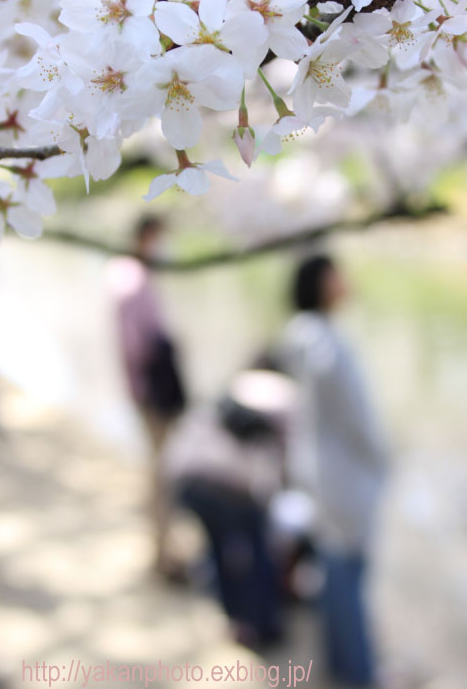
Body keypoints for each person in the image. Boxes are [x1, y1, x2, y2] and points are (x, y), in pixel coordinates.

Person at [282, 254, 389, 687]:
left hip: (317, 472)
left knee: (332, 570)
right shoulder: (329, 346)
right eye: (336, 274)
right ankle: (359, 672)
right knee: (349, 578)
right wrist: (383, 462)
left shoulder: (299, 336)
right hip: (344, 478)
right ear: (322, 284)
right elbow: (359, 421)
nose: (345, 280)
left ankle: (336, 663)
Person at [162, 369, 296, 647]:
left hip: (186, 479)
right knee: (258, 553)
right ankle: (265, 625)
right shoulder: (286, 399)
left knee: (218, 548)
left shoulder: (237, 384)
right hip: (226, 485)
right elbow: (278, 465)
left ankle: (234, 618)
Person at [106, 215, 186, 577]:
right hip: (152, 392)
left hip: (146, 389)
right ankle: (162, 552)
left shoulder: (129, 276)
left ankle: (164, 547)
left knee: (159, 467)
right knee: (162, 471)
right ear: (146, 237)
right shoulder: (134, 281)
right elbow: (135, 346)